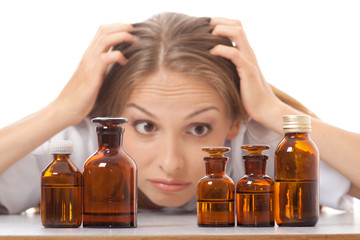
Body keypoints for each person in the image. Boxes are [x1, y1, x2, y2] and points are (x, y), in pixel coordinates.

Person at [0, 12, 359, 214]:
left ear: (235, 123)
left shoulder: (259, 148)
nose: (171, 163)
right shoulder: (79, 150)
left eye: (200, 128)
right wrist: (60, 111)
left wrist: (271, 110)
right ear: (105, 123)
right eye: (144, 125)